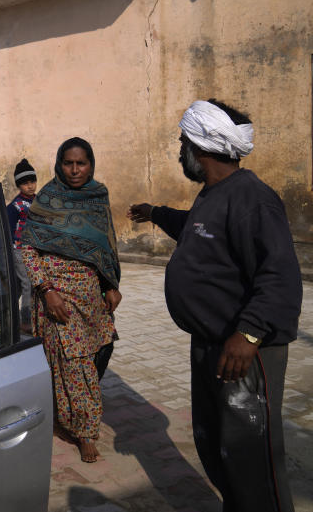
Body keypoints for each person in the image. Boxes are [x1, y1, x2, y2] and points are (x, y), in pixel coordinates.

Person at [127, 99, 301, 512]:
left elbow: (281, 276)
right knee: (217, 446)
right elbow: (196, 228)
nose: (178, 150)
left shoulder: (253, 200)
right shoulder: (215, 194)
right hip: (211, 345)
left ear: (200, 147)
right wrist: (155, 213)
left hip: (243, 351)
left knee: (252, 460)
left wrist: (249, 333)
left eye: (181, 142)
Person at [20, 137, 122, 463]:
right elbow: (27, 248)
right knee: (75, 362)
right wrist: (46, 291)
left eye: (82, 163)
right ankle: (85, 431)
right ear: (59, 164)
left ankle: (61, 408)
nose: (75, 170)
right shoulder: (47, 198)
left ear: (91, 164)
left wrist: (110, 285)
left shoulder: (97, 196)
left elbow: (105, 247)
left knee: (97, 352)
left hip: (90, 294)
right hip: (56, 296)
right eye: (69, 163)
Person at [6, 158, 37, 332]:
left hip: (34, 250)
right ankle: (25, 321)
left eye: (32, 181)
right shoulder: (15, 207)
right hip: (19, 250)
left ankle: (10, 314)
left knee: (20, 285)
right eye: (25, 183)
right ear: (19, 185)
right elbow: (8, 230)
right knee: (28, 283)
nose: (30, 186)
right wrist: (11, 253)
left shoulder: (38, 202)